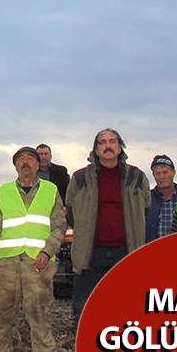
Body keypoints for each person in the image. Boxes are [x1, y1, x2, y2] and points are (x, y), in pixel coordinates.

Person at [0, 147, 65, 352]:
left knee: (40, 317)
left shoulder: (51, 191)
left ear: (39, 165)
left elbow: (59, 226)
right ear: (15, 165)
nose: (26, 163)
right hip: (6, 264)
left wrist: (48, 251)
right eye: (21, 159)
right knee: (0, 317)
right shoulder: (3, 191)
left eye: (31, 159)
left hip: (38, 264)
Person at [66, 128, 150, 324]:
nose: (108, 146)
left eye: (113, 141)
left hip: (125, 251)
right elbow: (70, 210)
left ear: (120, 148)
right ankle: (84, 347)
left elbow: (145, 208)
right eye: (102, 142)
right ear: (95, 150)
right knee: (85, 307)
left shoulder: (136, 177)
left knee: (127, 306)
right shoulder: (80, 178)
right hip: (90, 252)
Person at [145, 155, 177, 242]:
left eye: (165, 172)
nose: (162, 177)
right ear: (153, 175)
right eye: (158, 173)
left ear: (173, 172)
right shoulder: (146, 200)